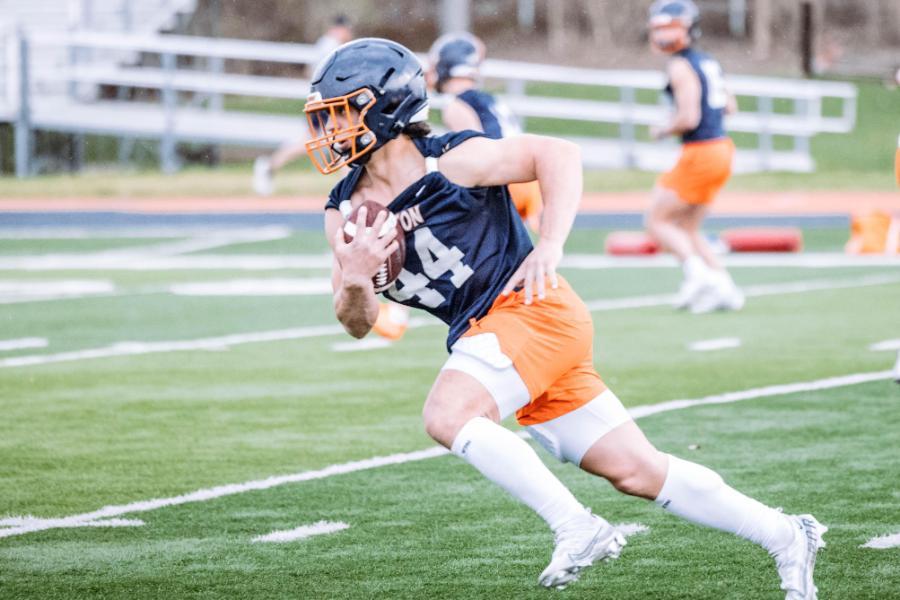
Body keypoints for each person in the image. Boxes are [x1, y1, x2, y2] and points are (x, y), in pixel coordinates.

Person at [307, 37, 826, 597]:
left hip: (531, 311)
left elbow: (558, 154)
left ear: (388, 106)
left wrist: (551, 241)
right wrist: (357, 278)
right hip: (497, 336)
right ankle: (786, 535)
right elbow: (356, 320)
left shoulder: (452, 159)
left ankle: (577, 526)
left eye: (343, 111)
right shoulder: (344, 211)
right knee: (637, 471)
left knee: (447, 414)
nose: (331, 129)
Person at [643, 0, 743, 314]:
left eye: (670, 27)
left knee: (656, 221)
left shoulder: (680, 65)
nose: (663, 34)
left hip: (700, 151)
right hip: (721, 148)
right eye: (661, 28)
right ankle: (725, 288)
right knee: (687, 228)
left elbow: (688, 117)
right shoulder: (707, 61)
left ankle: (699, 276)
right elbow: (730, 106)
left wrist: (662, 129)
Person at [427, 31, 543, 232]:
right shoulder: (490, 101)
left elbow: (475, 152)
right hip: (526, 181)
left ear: (445, 65)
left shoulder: (457, 105)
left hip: (503, 183)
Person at [252, 15, 354, 196]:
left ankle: (346, 186)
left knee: (332, 142)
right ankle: (269, 165)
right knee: (321, 141)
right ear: (340, 29)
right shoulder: (331, 46)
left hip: (322, 101)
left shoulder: (325, 44)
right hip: (325, 102)